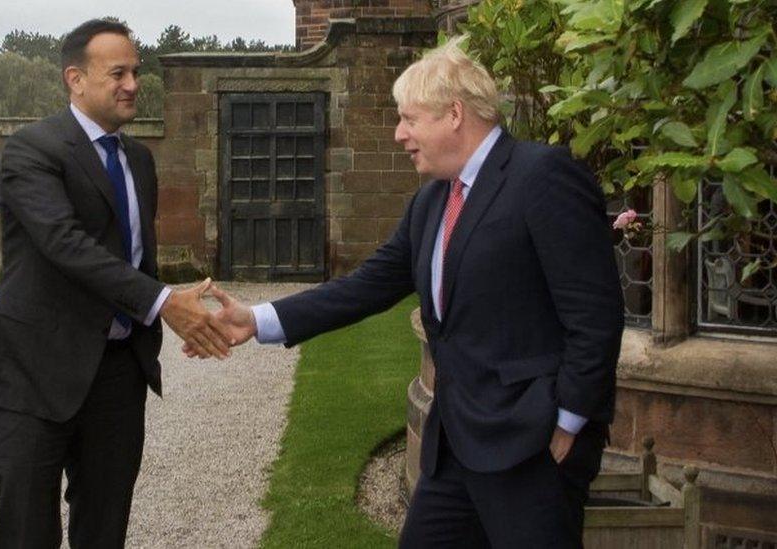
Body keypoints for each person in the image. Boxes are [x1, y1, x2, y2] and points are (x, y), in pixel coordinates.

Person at [206, 41, 624, 548]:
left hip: (532, 444)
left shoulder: (543, 176)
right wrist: (258, 319)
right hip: (455, 445)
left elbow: (595, 313)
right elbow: (368, 284)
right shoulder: (432, 201)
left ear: (454, 114)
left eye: (409, 119)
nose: (399, 134)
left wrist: (569, 420)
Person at [0, 19, 231, 548]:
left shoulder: (139, 160)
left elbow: (134, 256)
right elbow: (64, 243)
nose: (133, 83)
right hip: (33, 370)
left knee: (105, 527)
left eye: (136, 71)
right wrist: (162, 303)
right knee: (25, 531)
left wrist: (169, 309)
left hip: (116, 374)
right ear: (75, 79)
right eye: (118, 73)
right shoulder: (31, 149)